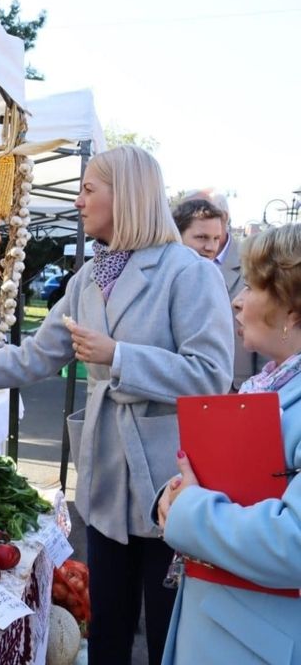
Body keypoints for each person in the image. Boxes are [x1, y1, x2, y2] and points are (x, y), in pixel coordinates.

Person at [0, 146, 233, 665]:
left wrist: (119, 357)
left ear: (125, 195)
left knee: (169, 633)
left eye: (88, 189)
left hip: (170, 484)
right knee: (105, 630)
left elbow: (212, 376)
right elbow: (34, 357)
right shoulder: (89, 278)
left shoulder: (188, 273)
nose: (78, 200)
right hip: (106, 481)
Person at [155, 223, 301, 664]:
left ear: (294, 313)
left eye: (254, 286)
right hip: (235, 630)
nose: (237, 299)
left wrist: (187, 509)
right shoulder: (269, 385)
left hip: (254, 642)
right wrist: (173, 494)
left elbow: (293, 542)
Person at [183, 190, 264, 390]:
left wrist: (259, 396)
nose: (208, 246)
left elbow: (270, 339)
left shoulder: (255, 266)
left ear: (223, 218)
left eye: (201, 212)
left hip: (236, 393)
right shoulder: (176, 268)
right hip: (182, 393)